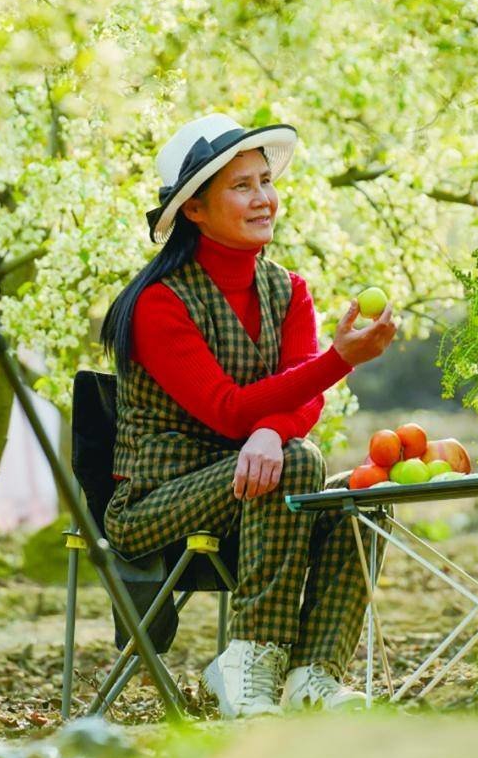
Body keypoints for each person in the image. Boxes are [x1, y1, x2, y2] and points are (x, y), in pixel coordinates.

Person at [101, 113, 396, 717]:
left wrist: (271, 432)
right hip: (157, 501)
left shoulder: (289, 289)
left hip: (261, 488)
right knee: (295, 460)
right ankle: (249, 658)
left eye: (266, 180)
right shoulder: (159, 303)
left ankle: (312, 675)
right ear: (195, 209)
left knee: (364, 499)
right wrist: (337, 360)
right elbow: (226, 411)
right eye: (242, 186)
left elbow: (301, 401)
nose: (264, 198)